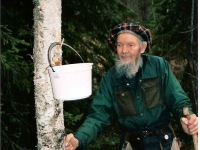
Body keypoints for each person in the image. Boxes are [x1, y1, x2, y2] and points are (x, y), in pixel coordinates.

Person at [65, 21, 198, 150]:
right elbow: (98, 115)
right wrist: (79, 139)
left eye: (130, 45)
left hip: (165, 144)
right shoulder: (111, 78)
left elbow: (177, 99)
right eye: (119, 45)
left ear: (143, 47)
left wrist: (187, 118)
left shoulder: (158, 66)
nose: (124, 50)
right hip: (132, 145)